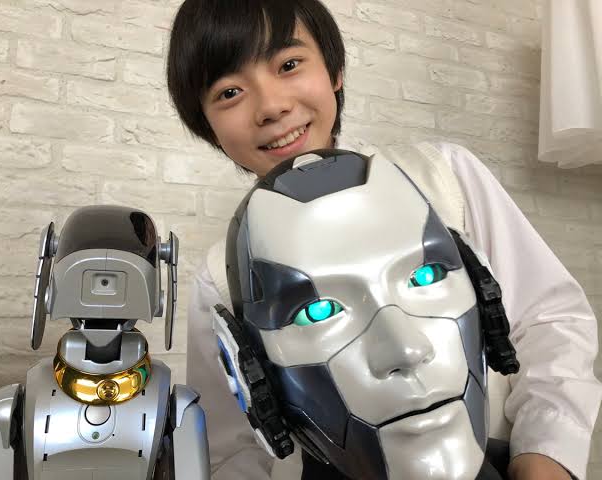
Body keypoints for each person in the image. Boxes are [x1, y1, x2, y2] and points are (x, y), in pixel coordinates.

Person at [165, 1, 602, 479]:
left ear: (334, 70)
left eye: (288, 65)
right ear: (206, 124)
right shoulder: (220, 277)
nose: (271, 107)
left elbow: (548, 319)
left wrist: (545, 455)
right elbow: (231, 449)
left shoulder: (444, 178)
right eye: (230, 92)